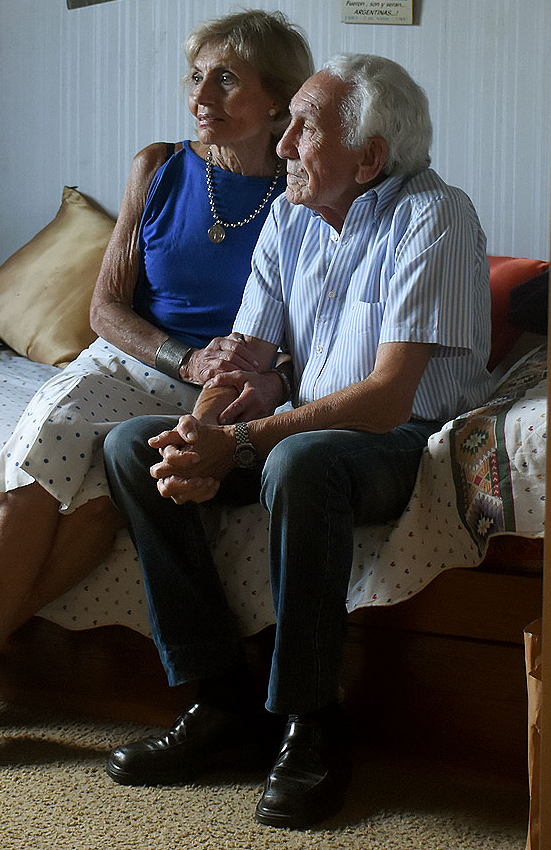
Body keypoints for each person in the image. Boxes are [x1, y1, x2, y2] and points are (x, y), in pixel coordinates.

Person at [0, 9, 315, 777]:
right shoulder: (158, 167)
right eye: (197, 74)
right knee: (38, 458)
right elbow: (103, 310)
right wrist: (183, 357)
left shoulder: (301, 198)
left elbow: (302, 327)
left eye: (226, 77)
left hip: (215, 397)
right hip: (129, 364)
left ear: (280, 98)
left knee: (98, 500)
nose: (201, 92)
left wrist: (223, 381)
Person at [100, 54, 491, 829]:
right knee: (131, 449)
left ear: (370, 158)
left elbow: (385, 401)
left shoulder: (435, 217)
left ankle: (313, 723)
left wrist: (237, 445)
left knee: (298, 459)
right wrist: (198, 432)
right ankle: (222, 706)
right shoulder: (290, 215)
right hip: (300, 433)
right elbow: (246, 354)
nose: (281, 146)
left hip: (403, 440)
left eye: (304, 128)